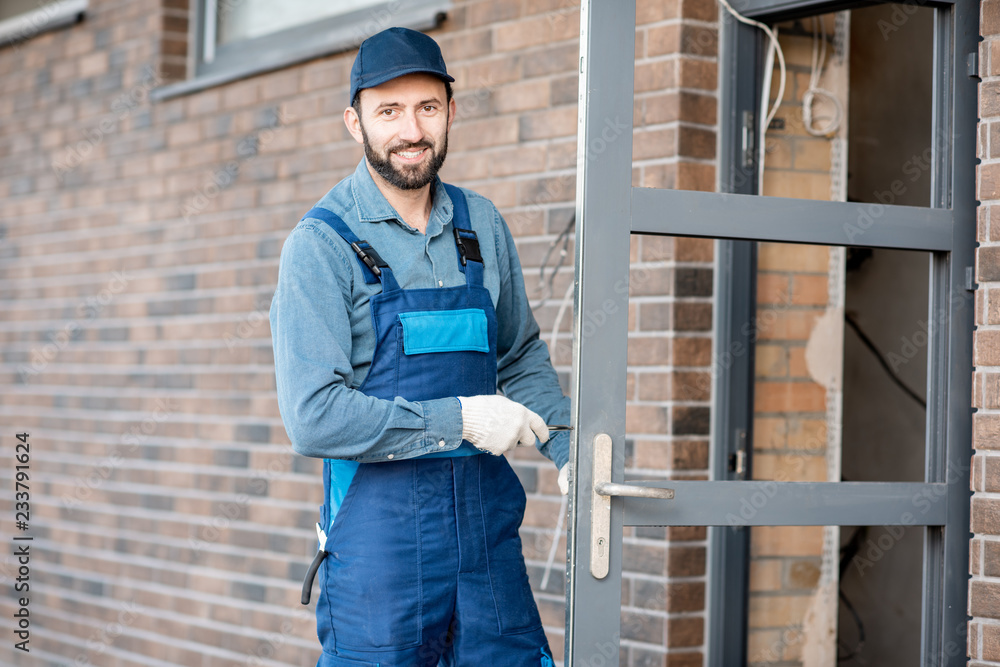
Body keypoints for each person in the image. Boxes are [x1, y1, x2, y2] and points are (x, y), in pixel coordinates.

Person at [268, 26, 570, 667]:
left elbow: (517, 356)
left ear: (451, 112)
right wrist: (461, 419)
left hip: (487, 555)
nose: (412, 129)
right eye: (389, 111)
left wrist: (569, 450)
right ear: (355, 122)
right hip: (382, 569)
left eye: (427, 107)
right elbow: (313, 415)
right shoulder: (322, 246)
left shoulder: (481, 224)